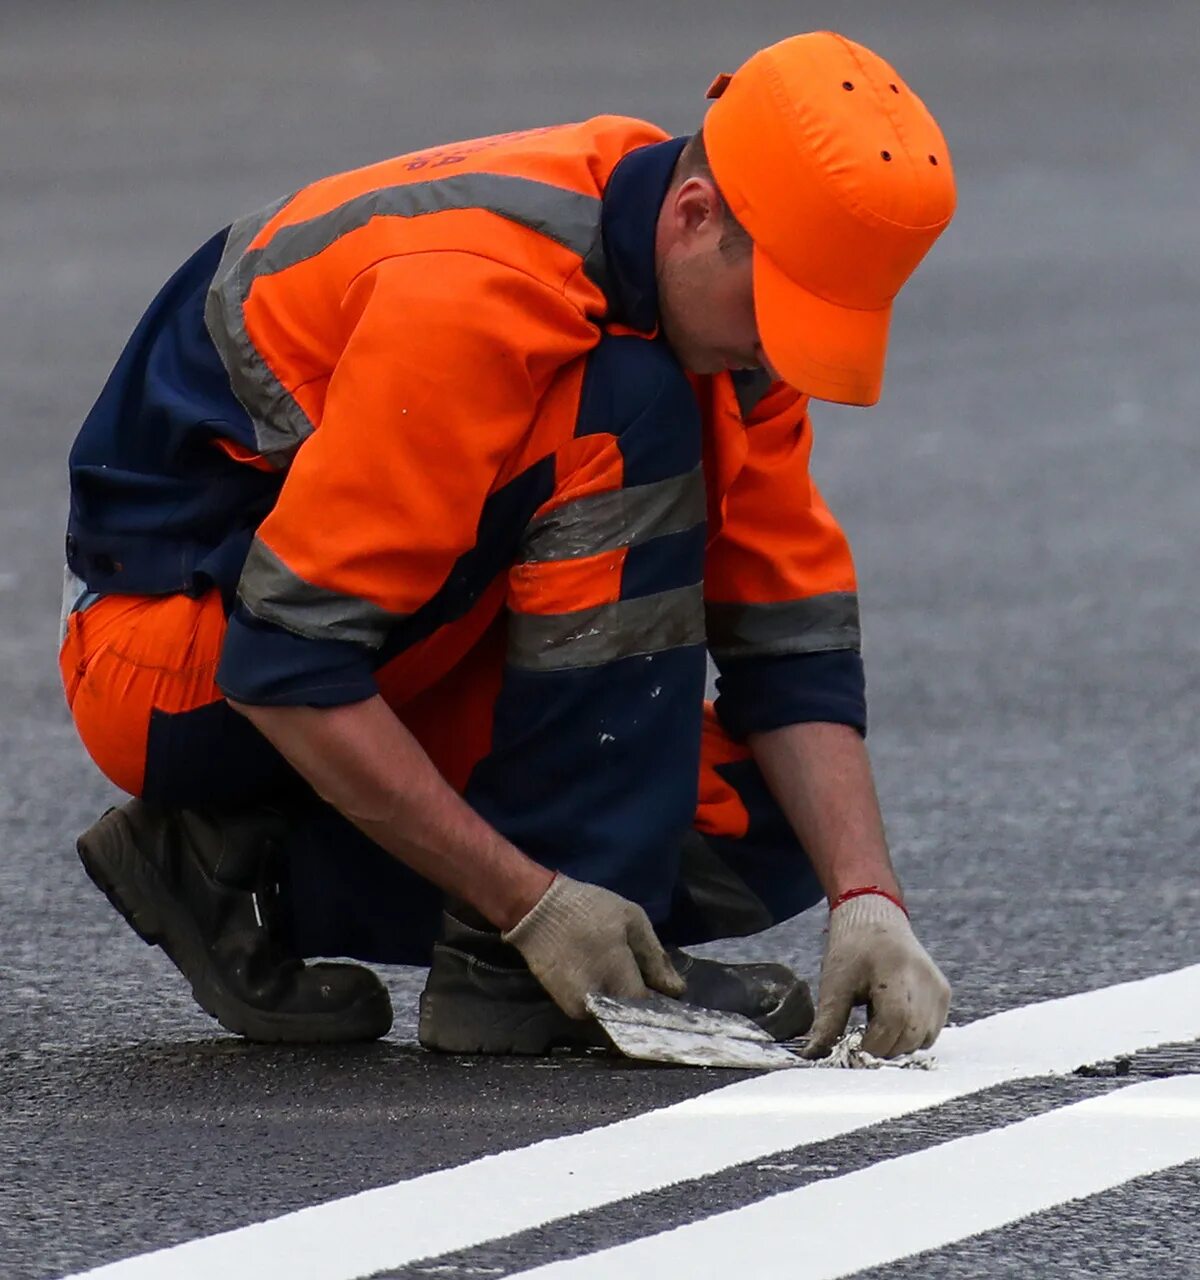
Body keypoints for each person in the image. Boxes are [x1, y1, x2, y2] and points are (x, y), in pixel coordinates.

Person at [61, 31, 955, 1060]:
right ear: (694, 214)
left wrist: (867, 896)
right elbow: (286, 662)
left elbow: (787, 639)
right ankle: (526, 969)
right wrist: (531, 902)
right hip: (177, 660)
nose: (778, 349)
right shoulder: (474, 290)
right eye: (780, 311)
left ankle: (233, 867)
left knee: (777, 817)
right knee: (625, 412)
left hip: (387, 640)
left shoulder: (713, 305)